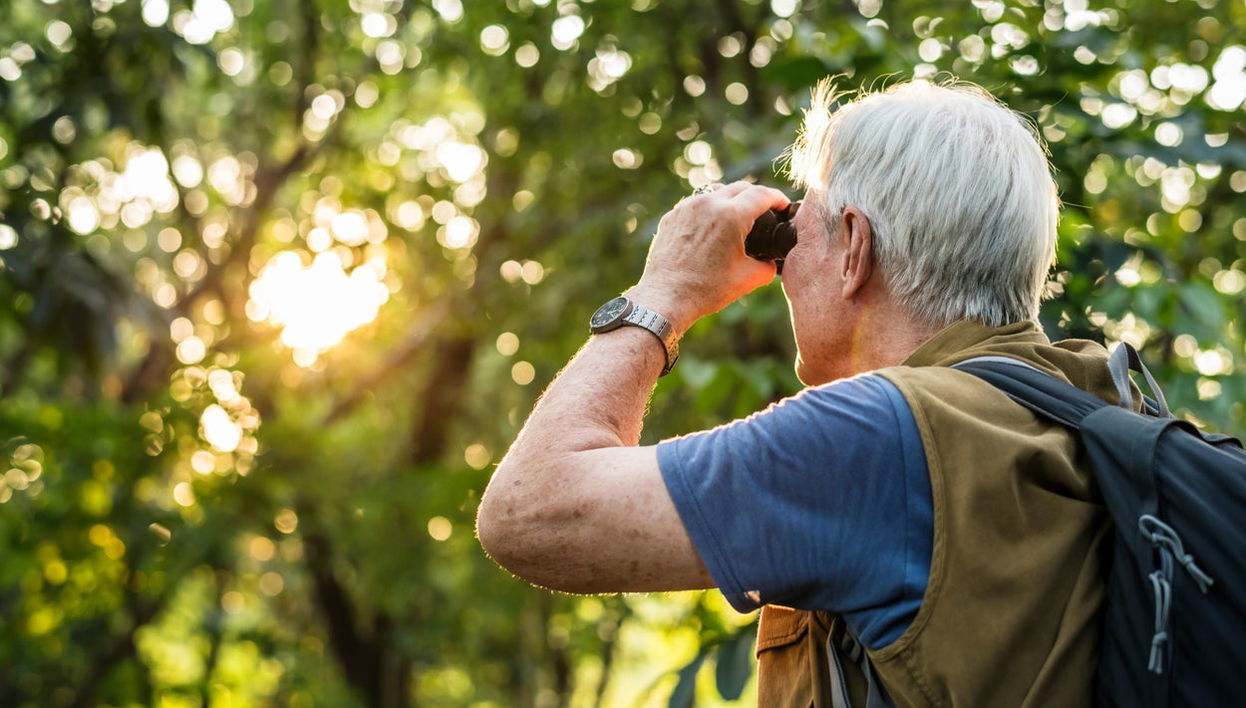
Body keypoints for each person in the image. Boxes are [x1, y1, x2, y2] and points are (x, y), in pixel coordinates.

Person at [476, 78, 1123, 707]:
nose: (782, 271)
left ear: (855, 250)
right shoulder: (1098, 402)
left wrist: (663, 293)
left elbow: (529, 513)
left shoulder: (880, 438)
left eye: (794, 235)